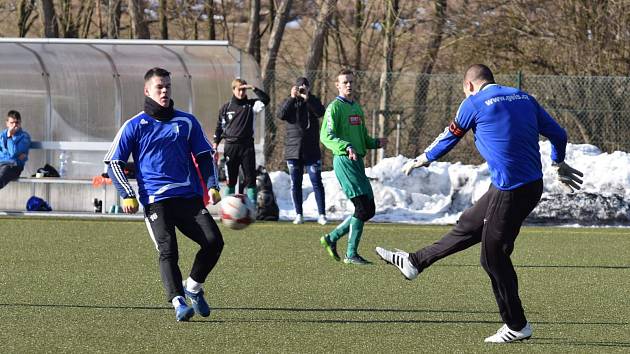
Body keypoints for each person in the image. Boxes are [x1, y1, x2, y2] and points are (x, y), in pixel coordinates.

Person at [376, 64, 584, 343]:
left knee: (492, 256)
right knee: (469, 225)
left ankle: (517, 325)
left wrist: (423, 158)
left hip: (511, 190)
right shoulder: (524, 97)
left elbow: (449, 136)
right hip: (529, 185)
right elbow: (559, 133)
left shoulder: (472, 102)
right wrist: (558, 162)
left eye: (465, 90)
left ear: (469, 85)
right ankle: (415, 262)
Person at [104, 67, 224, 322]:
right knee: (168, 249)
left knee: (214, 242)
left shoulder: (186, 121)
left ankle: (192, 286)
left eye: (168, 86)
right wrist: (127, 193)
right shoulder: (135, 125)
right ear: (147, 90)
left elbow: (205, 155)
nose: (165, 91)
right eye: (160, 87)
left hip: (188, 198)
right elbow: (113, 162)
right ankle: (179, 301)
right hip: (156, 201)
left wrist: (213, 185)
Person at [319, 69, 387, 265]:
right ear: (337, 85)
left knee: (369, 210)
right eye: (345, 82)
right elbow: (326, 136)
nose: (349, 85)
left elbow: (363, 138)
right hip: (344, 162)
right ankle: (351, 254)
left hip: (358, 163)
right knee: (361, 207)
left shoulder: (357, 108)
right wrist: (346, 146)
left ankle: (331, 238)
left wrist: (375, 143)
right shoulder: (334, 108)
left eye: (351, 82)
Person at [277, 77, 327, 225]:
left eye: (305, 87)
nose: (302, 89)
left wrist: (308, 98)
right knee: (295, 183)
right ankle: (299, 214)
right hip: (293, 150)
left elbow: (320, 112)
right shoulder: (290, 101)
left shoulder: (313, 100)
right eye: (299, 87)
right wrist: (292, 98)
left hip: (311, 150)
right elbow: (281, 114)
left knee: (316, 181)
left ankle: (322, 214)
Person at [213, 78, 270, 205]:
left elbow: (266, 100)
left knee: (250, 179)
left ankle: (252, 208)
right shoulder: (226, 108)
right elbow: (219, 127)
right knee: (231, 180)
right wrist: (215, 143)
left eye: (244, 89)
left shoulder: (252, 105)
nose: (241, 92)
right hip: (230, 147)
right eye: (239, 89)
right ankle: (227, 208)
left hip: (247, 146)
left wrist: (254, 88)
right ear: (233, 90)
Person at [0, 110, 31, 189]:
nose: (14, 125)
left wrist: (10, 137)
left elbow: (13, 153)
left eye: (16, 123)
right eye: (12, 123)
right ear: (7, 123)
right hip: (1, 164)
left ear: (20, 123)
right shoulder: (2, 135)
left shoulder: (24, 137)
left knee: (2, 175)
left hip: (13, 167)